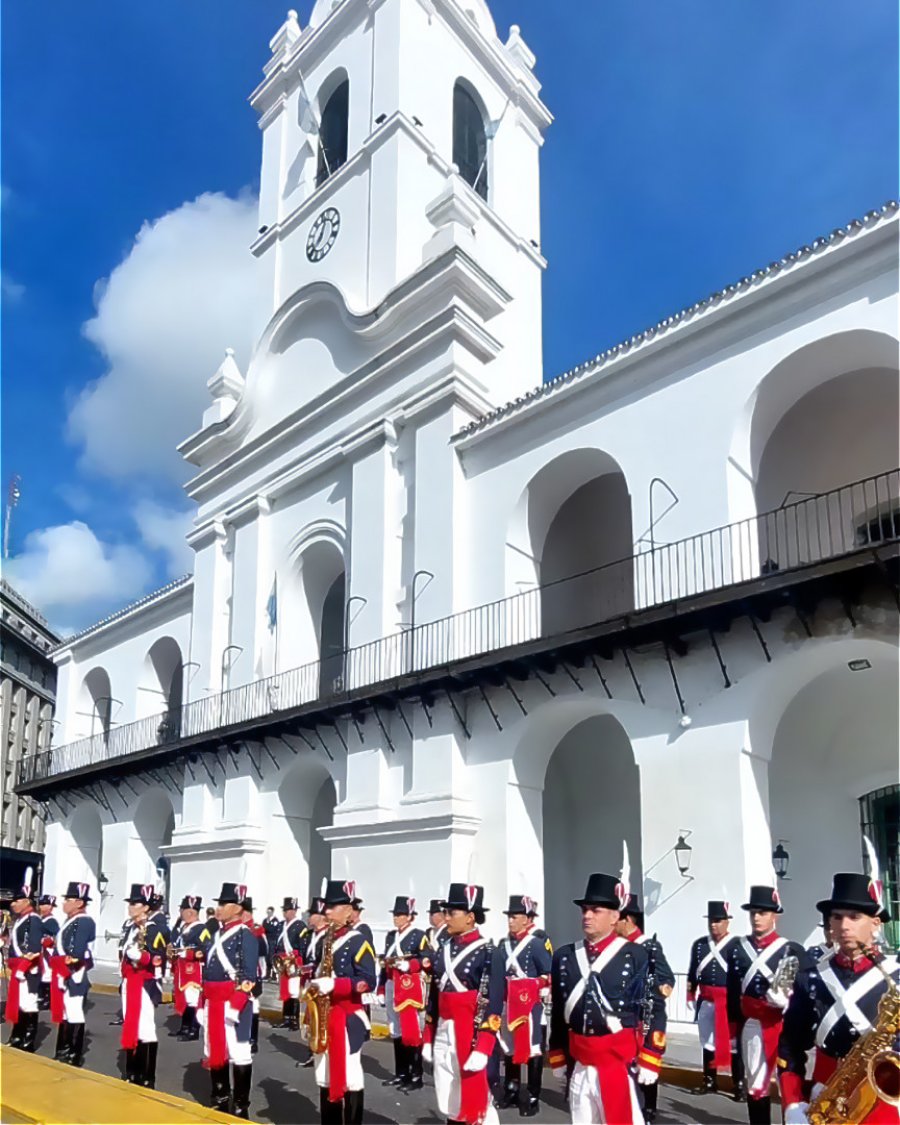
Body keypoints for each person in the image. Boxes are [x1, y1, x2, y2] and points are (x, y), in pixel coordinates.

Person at [778, 871, 898, 1125]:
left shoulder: (896, 978)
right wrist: (792, 1103)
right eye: (837, 917)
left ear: (876, 923)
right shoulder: (810, 979)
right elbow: (790, 1047)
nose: (844, 926)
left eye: (854, 917)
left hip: (884, 1102)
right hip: (828, 1100)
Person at [548, 872, 667, 1125]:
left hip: (618, 1063)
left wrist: (651, 1054)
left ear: (615, 916)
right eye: (585, 910)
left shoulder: (636, 955)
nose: (587, 916)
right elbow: (559, 1011)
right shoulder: (565, 956)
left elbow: (654, 1008)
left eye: (596, 910)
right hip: (580, 1062)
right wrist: (557, 1051)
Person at [423, 883, 505, 1125]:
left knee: (479, 1101)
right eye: (446, 912)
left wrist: (484, 1046)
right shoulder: (443, 950)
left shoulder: (489, 952)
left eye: (452, 913)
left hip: (471, 1031)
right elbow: (434, 998)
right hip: (445, 1030)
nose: (446, 917)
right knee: (449, 1096)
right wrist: (428, 1036)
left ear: (470, 917)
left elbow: (493, 1003)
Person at [726, 885, 807, 1125]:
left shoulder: (792, 950)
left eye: (762, 912)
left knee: (789, 1082)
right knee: (756, 1083)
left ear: (775, 915)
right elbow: (732, 993)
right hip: (752, 1024)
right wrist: (732, 1030)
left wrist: (788, 1000)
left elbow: (808, 994)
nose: (757, 918)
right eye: (753, 913)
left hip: (784, 1025)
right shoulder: (738, 949)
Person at [306, 879, 377, 1124]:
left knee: (350, 1075)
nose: (326, 911)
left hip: (347, 1018)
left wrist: (337, 985)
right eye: (326, 907)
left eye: (333, 907)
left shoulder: (358, 941)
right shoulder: (326, 938)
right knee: (324, 1073)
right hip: (325, 1015)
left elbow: (368, 980)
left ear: (348, 910)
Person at [198, 881, 258, 1119]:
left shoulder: (246, 936)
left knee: (239, 1052)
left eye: (225, 904)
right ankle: (220, 1096)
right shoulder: (216, 934)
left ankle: (241, 1106)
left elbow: (248, 977)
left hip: (234, 1003)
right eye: (219, 903)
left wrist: (235, 1006)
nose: (219, 908)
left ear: (238, 908)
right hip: (213, 1001)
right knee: (215, 1049)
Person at [616, 894, 675, 1123]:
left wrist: (661, 987)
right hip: (626, 1014)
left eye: (618, 919)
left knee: (647, 1064)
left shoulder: (649, 946)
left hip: (648, 1014)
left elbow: (666, 977)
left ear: (628, 920)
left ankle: (649, 1107)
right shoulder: (617, 948)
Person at [498, 894, 553, 1117]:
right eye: (509, 916)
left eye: (515, 916)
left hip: (530, 1006)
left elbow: (549, 974)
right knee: (509, 1047)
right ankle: (511, 1088)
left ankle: (532, 1094)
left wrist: (534, 984)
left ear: (528, 919)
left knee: (532, 1050)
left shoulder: (537, 944)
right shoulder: (503, 944)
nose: (511, 920)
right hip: (508, 1004)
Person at [687, 899, 744, 1099]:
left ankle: (739, 1084)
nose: (714, 924)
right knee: (707, 1042)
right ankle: (709, 1080)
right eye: (711, 920)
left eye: (718, 920)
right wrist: (690, 992)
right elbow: (693, 971)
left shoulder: (737, 945)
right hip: (706, 1000)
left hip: (729, 1003)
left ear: (727, 922)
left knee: (734, 1044)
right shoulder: (700, 945)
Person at [376, 894, 430, 1091]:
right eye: (395, 914)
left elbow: (427, 959)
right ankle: (401, 1073)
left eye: (400, 914)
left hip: (408, 986)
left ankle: (416, 1075)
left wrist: (410, 964)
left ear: (409, 917)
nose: (396, 918)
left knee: (411, 1030)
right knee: (395, 1029)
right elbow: (385, 964)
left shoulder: (418, 935)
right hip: (392, 983)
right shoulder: (391, 936)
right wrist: (381, 988)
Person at [49, 881, 96, 1067]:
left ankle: (73, 1053)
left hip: (75, 973)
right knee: (67, 1012)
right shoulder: (71, 921)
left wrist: (66, 963)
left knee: (75, 1013)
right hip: (65, 972)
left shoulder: (83, 921)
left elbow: (77, 952)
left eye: (68, 899)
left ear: (79, 902)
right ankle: (63, 1049)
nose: (64, 903)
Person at [5, 871, 43, 1051]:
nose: (12, 904)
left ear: (26, 902)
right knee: (19, 1003)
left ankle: (28, 1039)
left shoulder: (33, 920)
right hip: (19, 966)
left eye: (16, 901)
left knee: (28, 1003)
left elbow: (34, 950)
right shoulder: (21, 920)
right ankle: (17, 1035)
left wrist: (23, 967)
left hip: (29, 969)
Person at [169, 895, 205, 1041]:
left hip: (193, 970)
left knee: (193, 999)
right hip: (182, 969)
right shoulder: (183, 927)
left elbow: (204, 949)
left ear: (190, 912)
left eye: (182, 910)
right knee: (185, 998)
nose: (180, 912)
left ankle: (193, 1029)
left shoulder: (201, 929)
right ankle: (184, 1027)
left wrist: (186, 953)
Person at [241, 896, 268, 1054]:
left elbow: (263, 954)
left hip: (254, 973)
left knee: (253, 1006)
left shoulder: (256, 930)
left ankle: (253, 1040)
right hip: (239, 975)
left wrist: (260, 976)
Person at [274, 896, 306, 1031]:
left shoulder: (300, 926)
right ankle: (286, 1017)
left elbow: (303, 946)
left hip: (293, 961)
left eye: (289, 910)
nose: (287, 913)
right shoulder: (281, 925)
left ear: (294, 911)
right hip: (283, 960)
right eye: (285, 910)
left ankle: (294, 1019)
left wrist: (295, 958)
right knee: (285, 989)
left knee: (294, 991)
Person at [37, 894, 60, 1012]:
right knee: (41, 973)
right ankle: (41, 997)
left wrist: (50, 942)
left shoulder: (51, 921)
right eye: (41, 904)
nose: (42, 907)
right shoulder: (41, 919)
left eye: (45, 904)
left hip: (48, 951)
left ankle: (48, 999)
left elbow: (57, 936)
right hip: (39, 950)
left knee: (47, 974)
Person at [263, 906, 280, 980]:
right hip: (267, 940)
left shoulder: (275, 920)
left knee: (272, 957)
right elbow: (264, 928)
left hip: (272, 940)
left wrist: (267, 926)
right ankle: (267, 974)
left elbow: (272, 929)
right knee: (267, 957)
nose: (268, 913)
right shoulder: (265, 920)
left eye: (270, 912)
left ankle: (274, 975)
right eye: (267, 912)